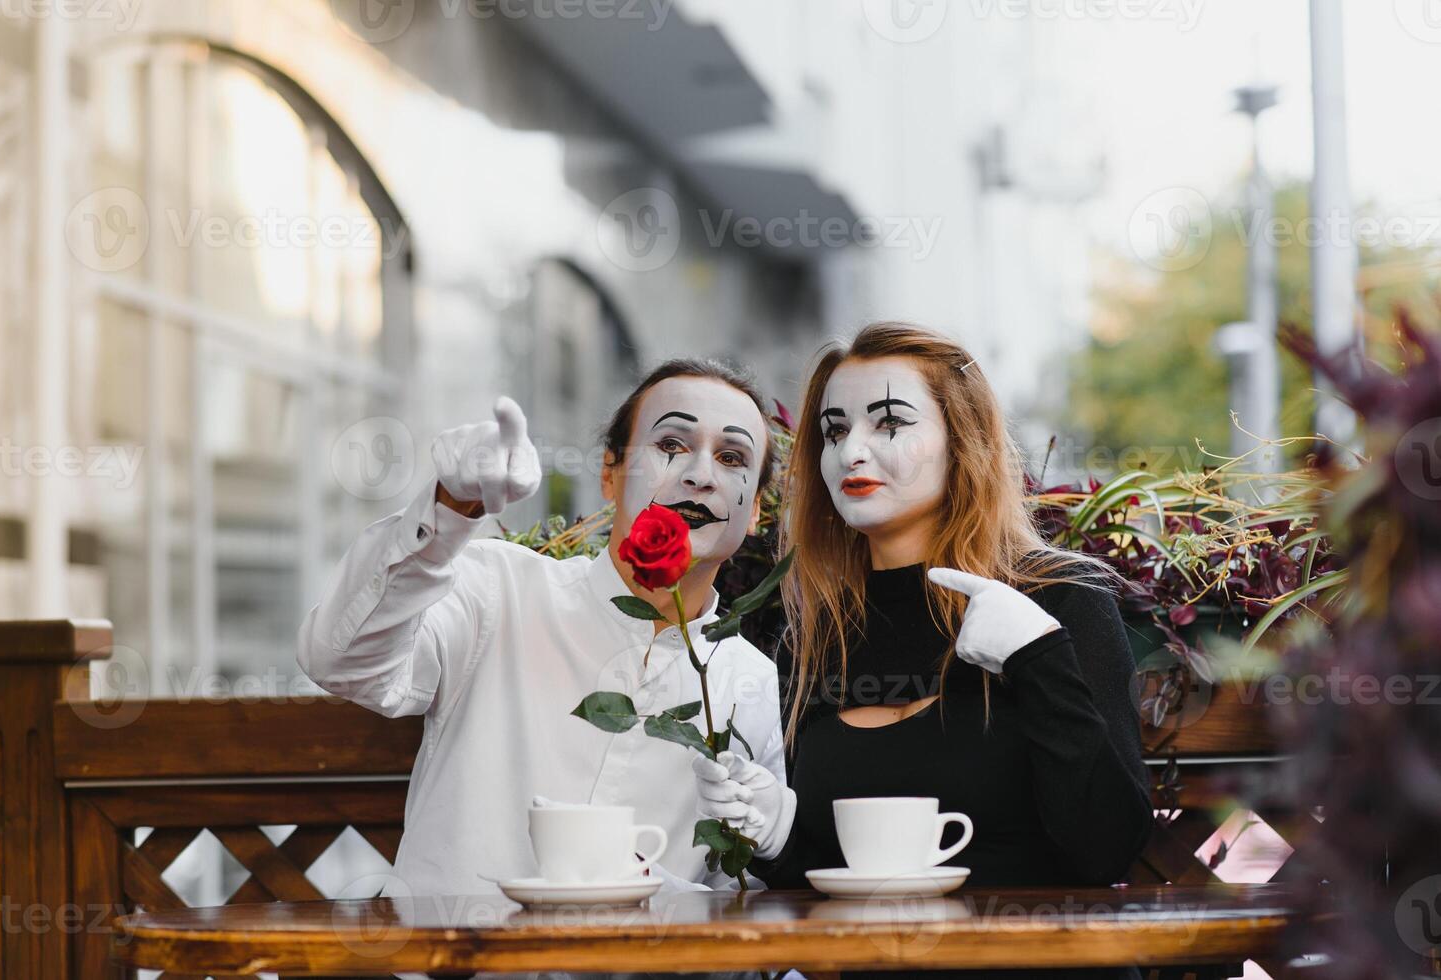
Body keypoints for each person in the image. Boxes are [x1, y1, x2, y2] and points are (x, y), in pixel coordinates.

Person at [692, 322, 1154, 980]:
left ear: (962, 443)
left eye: (889, 423)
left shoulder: (1060, 600)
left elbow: (1105, 851)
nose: (852, 451)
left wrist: (1037, 658)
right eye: (833, 430)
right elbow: (838, 877)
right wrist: (773, 834)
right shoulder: (816, 638)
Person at [299, 359, 786, 900]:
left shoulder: (752, 681)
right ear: (609, 472)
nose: (700, 474)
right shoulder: (498, 590)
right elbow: (341, 661)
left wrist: (672, 890)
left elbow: (738, 899)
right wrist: (446, 512)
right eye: (670, 445)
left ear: (756, 508)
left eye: (732, 457)